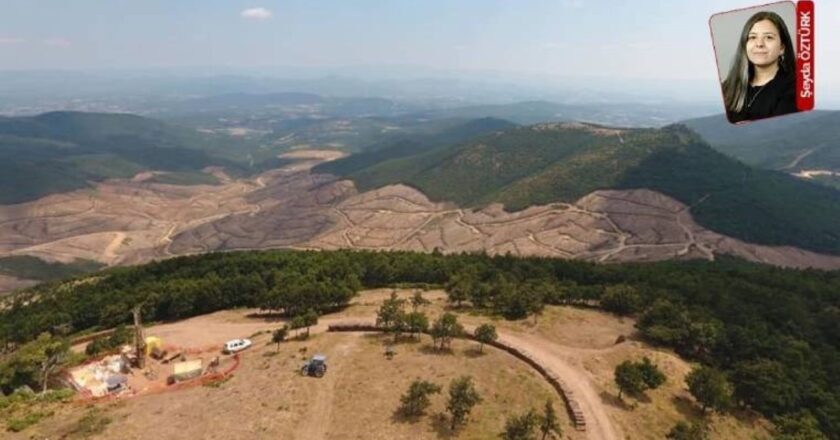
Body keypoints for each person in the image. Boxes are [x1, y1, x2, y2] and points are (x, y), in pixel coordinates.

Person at [721, 11, 797, 123]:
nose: (759, 44)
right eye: (752, 37)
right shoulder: (728, 86)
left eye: (769, 37)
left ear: (782, 48)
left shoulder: (794, 89)